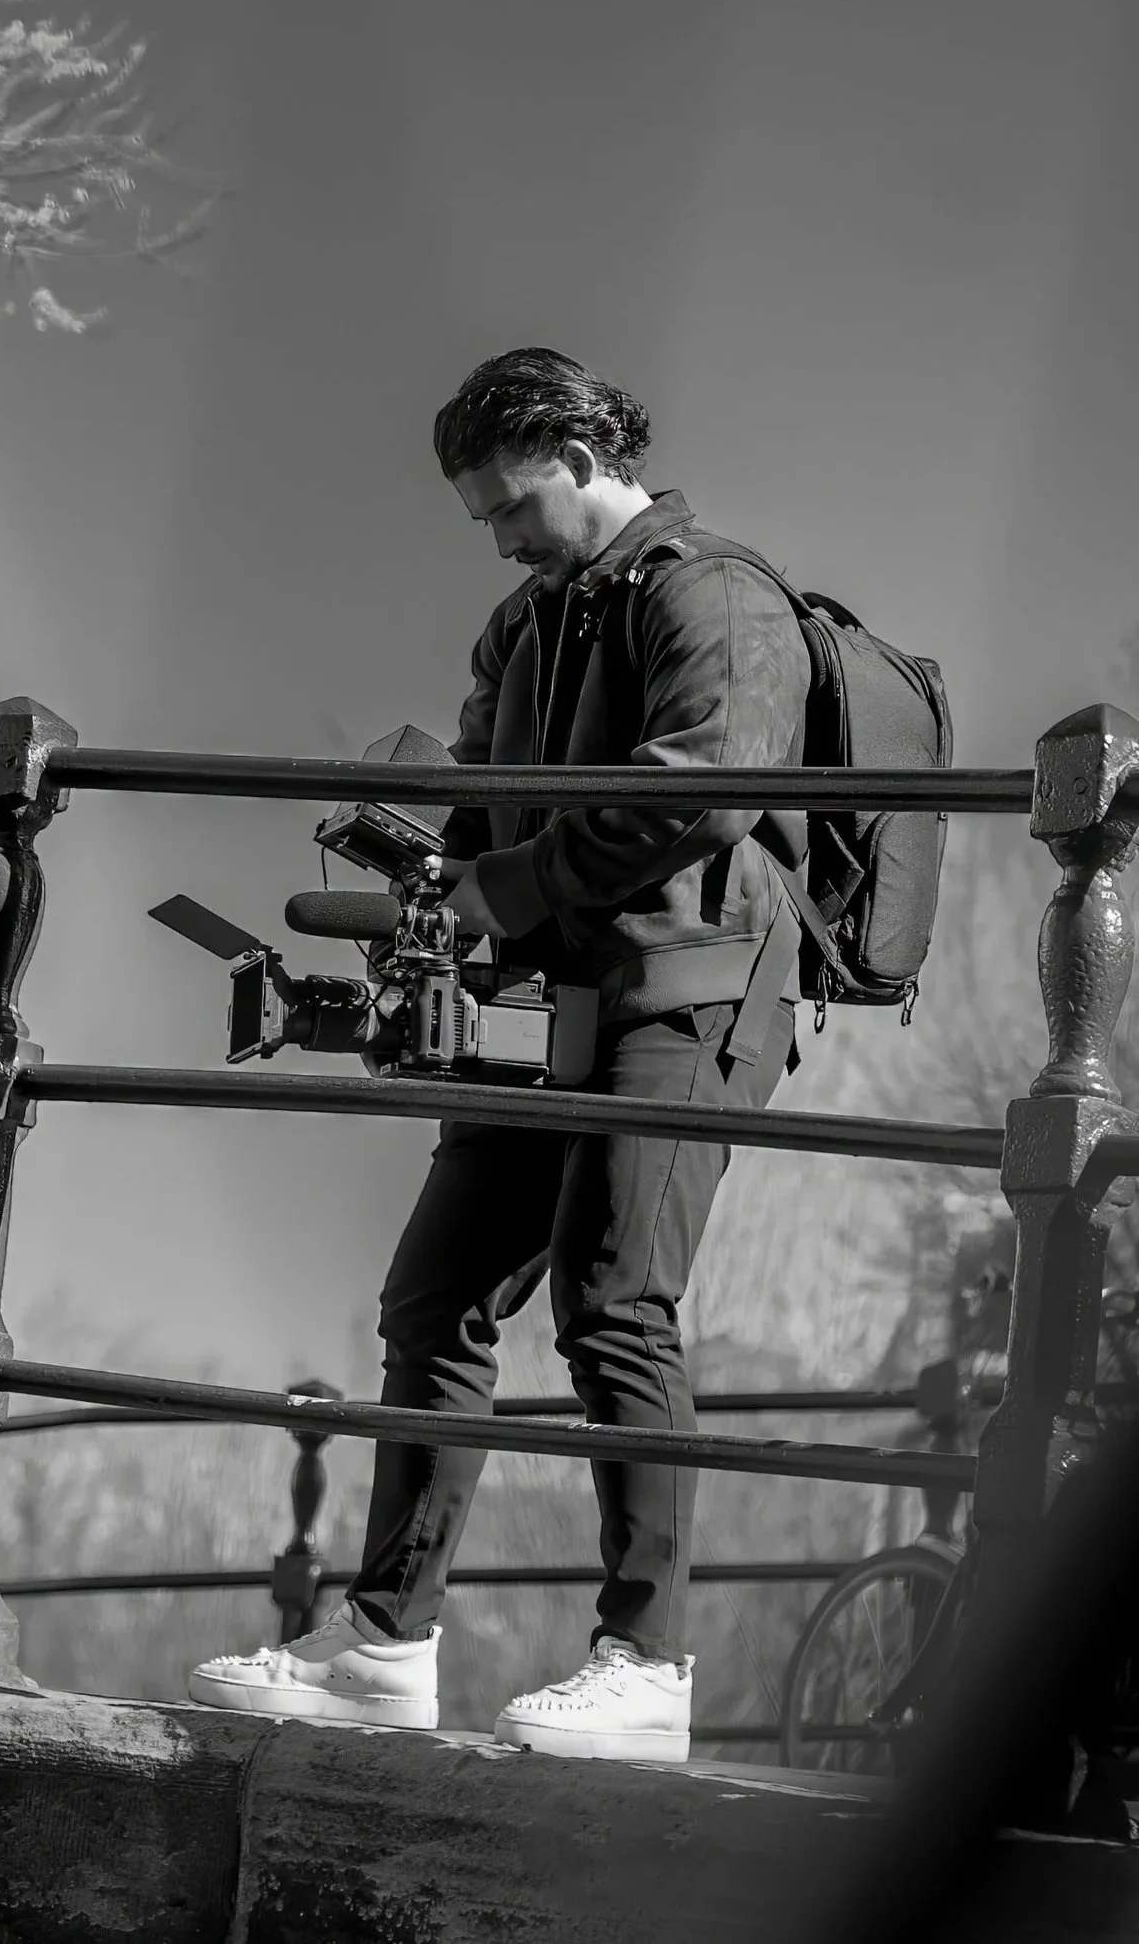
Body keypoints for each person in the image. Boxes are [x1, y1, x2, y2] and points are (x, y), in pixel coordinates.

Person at [188, 346, 811, 1759]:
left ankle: (647, 1664)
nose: (499, 536)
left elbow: (707, 792)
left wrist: (506, 888)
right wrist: (432, 906)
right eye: (479, 515)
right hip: (554, 994)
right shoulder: (518, 628)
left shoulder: (715, 592)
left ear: (585, 459)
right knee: (436, 1295)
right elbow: (476, 812)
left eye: (512, 504)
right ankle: (381, 1647)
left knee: (612, 1301)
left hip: (693, 985)